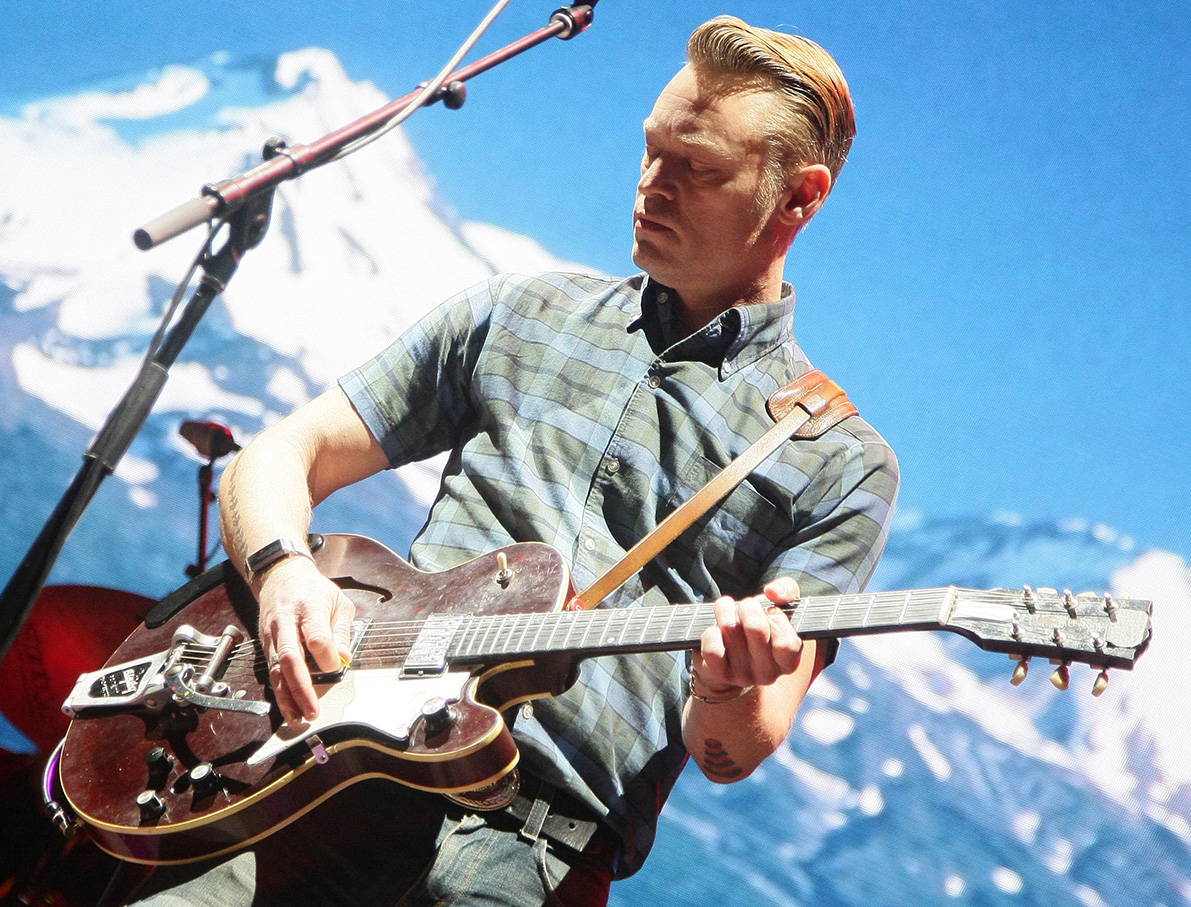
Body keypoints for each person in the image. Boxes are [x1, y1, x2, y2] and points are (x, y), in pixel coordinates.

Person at [128, 14, 897, 907]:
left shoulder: (840, 463)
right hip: (328, 772)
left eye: (699, 169)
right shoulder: (521, 312)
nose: (652, 185)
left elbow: (742, 744)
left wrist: (728, 684)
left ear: (800, 198)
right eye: (651, 151)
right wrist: (284, 574)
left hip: (532, 847)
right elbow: (279, 457)